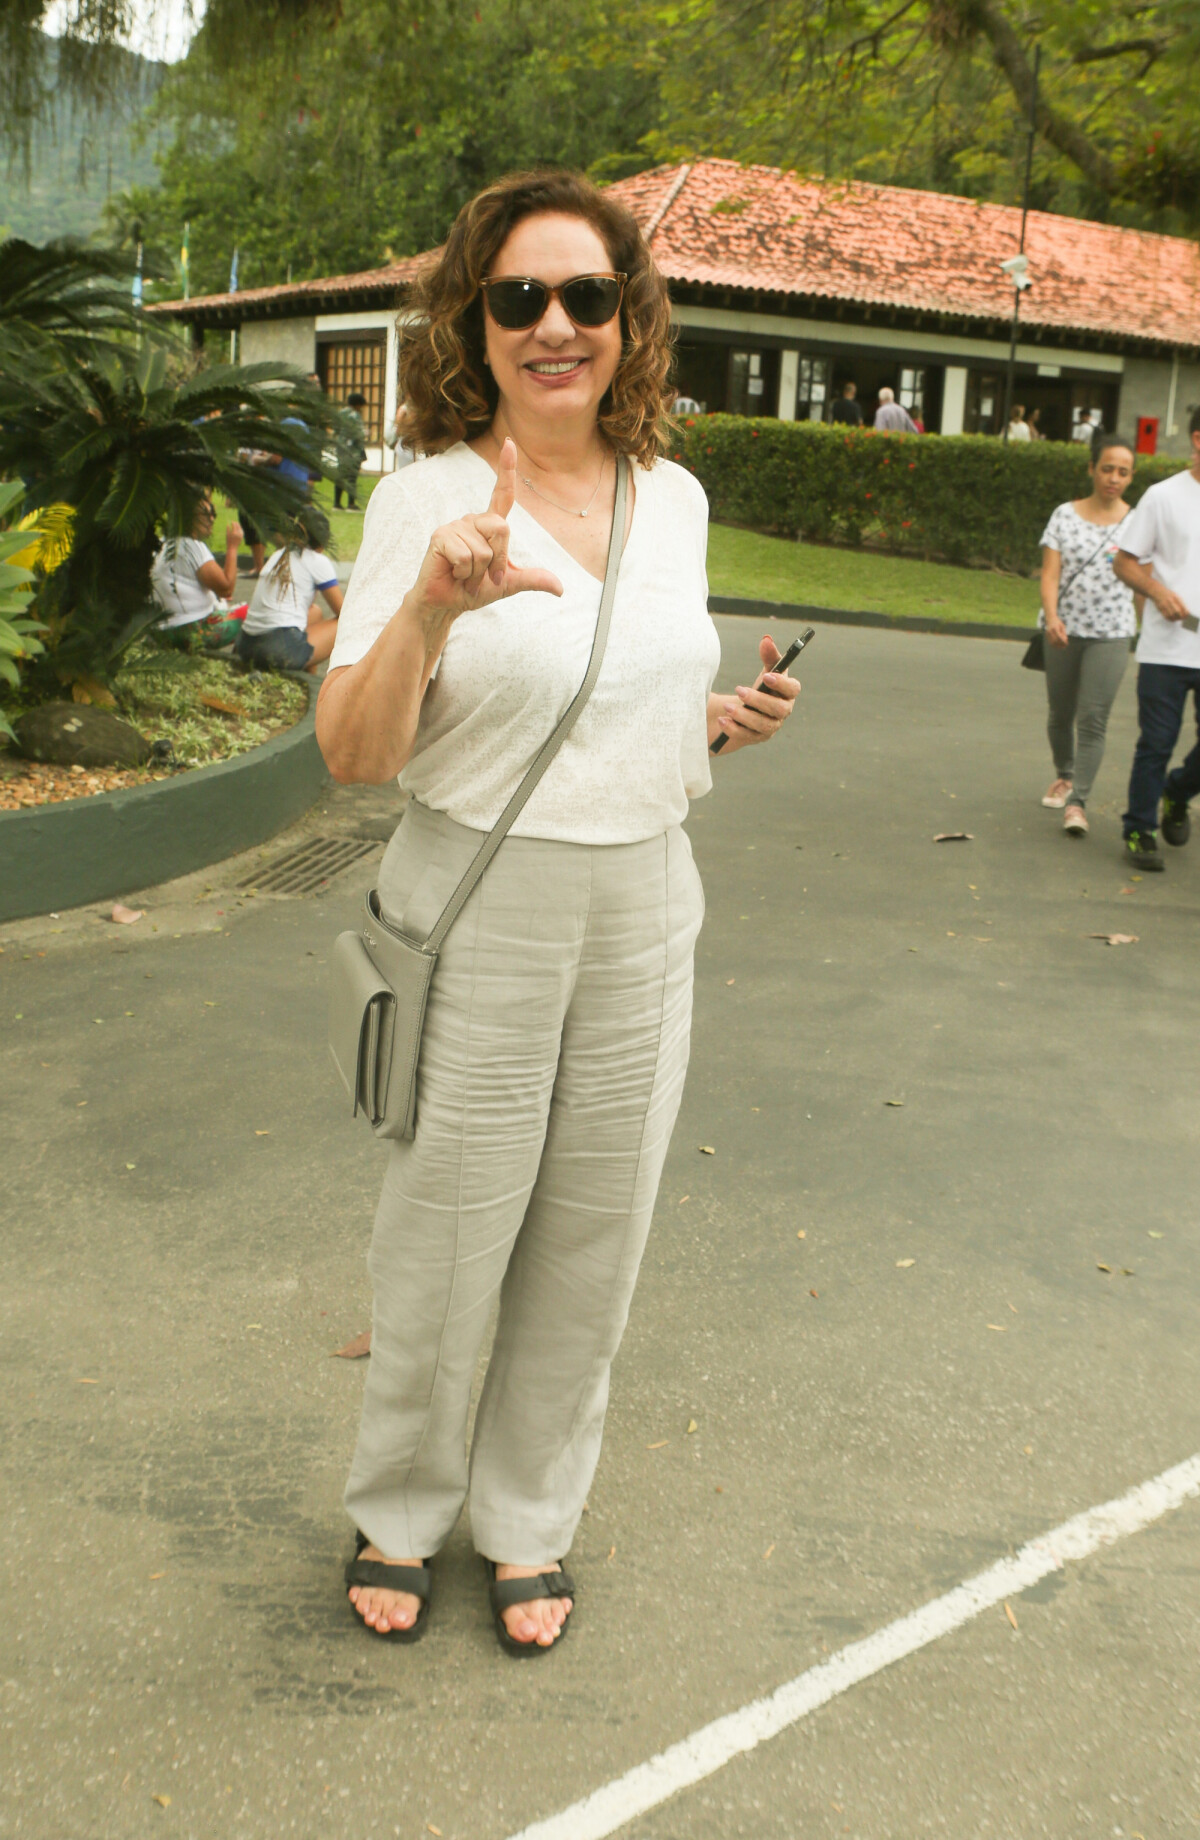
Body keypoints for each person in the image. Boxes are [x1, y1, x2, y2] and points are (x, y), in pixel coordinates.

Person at [315, 167, 801, 1654]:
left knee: (595, 1237)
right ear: (478, 315)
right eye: (519, 296)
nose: (554, 326)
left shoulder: (679, 499)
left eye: (586, 296)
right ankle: (399, 1508)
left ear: (628, 318)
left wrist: (711, 717)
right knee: (451, 1238)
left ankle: (531, 1520)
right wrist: (431, 612)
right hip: (484, 903)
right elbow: (355, 756)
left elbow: (604, 695)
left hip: (649, 900)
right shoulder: (429, 499)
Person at [1037, 432, 1140, 838]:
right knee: (1059, 714)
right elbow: (1050, 573)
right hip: (1064, 629)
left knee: (1093, 719)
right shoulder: (1064, 515)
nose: (1114, 478)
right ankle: (1064, 774)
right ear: (1092, 469)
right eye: (1107, 469)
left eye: (1123, 472)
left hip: (1112, 632)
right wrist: (1051, 616)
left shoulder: (1137, 522)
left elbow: (1145, 578)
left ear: (1131, 477)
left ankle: (1078, 801)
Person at [1113, 404, 1200, 872]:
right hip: (1169, 643)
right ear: (1198, 440)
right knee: (1157, 741)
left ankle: (1178, 791)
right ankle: (1139, 828)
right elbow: (1125, 561)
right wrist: (1158, 592)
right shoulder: (1164, 497)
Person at [235, 504, 343, 673]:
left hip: (245, 645)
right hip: (277, 648)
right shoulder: (317, 560)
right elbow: (343, 612)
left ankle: (307, 678)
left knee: (315, 612)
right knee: (343, 625)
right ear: (322, 544)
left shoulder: (279, 555)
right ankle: (319, 688)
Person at [150, 494, 243, 640]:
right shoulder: (191, 546)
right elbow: (226, 588)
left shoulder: (162, 543)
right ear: (188, 516)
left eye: (213, 513)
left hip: (159, 631)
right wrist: (232, 547)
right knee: (248, 616)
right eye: (206, 514)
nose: (212, 519)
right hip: (189, 630)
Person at [334, 393, 367, 510]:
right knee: (352, 476)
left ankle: (336, 503)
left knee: (341, 475)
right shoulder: (355, 415)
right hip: (353, 450)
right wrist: (366, 433)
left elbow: (336, 429)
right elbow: (359, 433)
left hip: (341, 448)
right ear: (357, 404)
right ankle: (351, 504)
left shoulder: (341, 413)